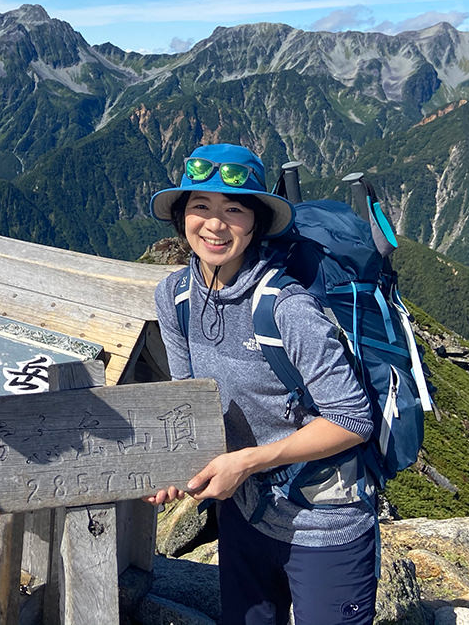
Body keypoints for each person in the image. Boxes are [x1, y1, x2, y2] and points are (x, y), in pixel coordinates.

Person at [145, 143, 378, 625]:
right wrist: (172, 467)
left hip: (322, 521)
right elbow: (188, 400)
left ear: (255, 224)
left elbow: (354, 420)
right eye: (200, 207)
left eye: (233, 210)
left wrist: (247, 460)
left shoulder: (286, 308)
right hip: (244, 513)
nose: (214, 224)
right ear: (181, 217)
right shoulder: (176, 296)